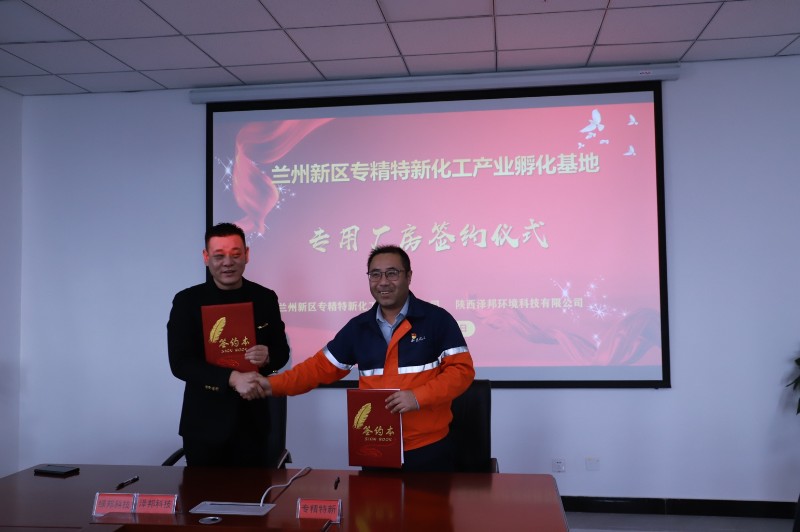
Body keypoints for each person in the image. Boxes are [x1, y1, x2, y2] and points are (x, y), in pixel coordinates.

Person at [257, 244, 475, 472]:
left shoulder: (437, 320)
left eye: (392, 273)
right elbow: (317, 369)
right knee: (371, 498)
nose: (383, 282)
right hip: (375, 445)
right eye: (375, 274)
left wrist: (417, 397)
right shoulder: (358, 328)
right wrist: (271, 385)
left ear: (409, 276)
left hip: (427, 449)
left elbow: (462, 372)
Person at [167, 222, 290, 467]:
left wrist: (268, 356)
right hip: (204, 424)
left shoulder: (265, 298)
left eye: (235, 254)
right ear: (206, 257)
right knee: (201, 492)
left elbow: (281, 352)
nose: (228, 262)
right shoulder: (187, 301)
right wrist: (232, 378)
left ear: (247, 254)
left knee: (254, 491)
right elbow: (180, 363)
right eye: (219, 256)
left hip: (253, 423)